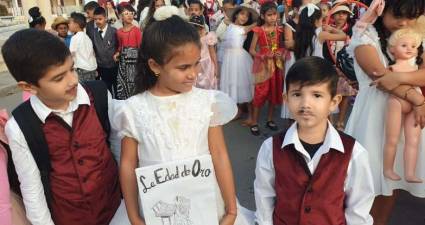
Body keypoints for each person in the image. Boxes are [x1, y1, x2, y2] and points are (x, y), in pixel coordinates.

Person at [113, 5, 250, 225]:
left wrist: (231, 209)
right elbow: (128, 164)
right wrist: (133, 215)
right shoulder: (133, 109)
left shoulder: (207, 102)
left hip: (206, 204)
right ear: (155, 66)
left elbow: (219, 154)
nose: (193, 74)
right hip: (154, 208)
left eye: (196, 64)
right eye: (184, 67)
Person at [1, 29, 124, 225]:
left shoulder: (99, 96)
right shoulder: (20, 127)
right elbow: (32, 191)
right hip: (68, 217)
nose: (73, 80)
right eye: (58, 78)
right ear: (28, 87)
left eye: (72, 69)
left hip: (116, 211)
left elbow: (118, 149)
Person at [254, 56, 375, 225]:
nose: (305, 104)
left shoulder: (354, 152)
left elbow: (358, 209)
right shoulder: (270, 148)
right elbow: (264, 197)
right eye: (297, 94)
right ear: (286, 99)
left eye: (317, 95)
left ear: (334, 102)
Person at [344, 0, 425, 224]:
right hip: (374, 117)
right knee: (367, 183)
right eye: (398, 15)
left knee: (393, 182)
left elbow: (395, 78)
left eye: (411, 16)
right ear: (382, 10)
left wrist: (398, 77)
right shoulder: (365, 35)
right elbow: (379, 77)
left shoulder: (416, 36)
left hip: (406, 118)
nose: (405, 22)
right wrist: (417, 97)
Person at [383, 28, 423, 183]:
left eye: (413, 46)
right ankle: (388, 169)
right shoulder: (391, 68)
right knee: (392, 139)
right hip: (396, 102)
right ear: (392, 49)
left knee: (413, 140)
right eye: (404, 45)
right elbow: (383, 83)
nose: (409, 49)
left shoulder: (416, 69)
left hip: (415, 106)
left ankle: (410, 173)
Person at [244, 2, 284, 136]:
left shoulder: (279, 29)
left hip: (277, 65)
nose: (273, 18)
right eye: (269, 15)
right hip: (263, 66)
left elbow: (281, 47)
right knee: (260, 92)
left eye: (275, 15)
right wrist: (263, 55)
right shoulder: (258, 30)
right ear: (263, 16)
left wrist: (280, 52)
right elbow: (252, 50)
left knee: (274, 91)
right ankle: (254, 121)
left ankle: (270, 119)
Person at [220, 5, 257, 119]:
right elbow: (225, 17)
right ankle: (237, 110)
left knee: (243, 84)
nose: (244, 17)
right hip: (228, 58)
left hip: (239, 59)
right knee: (232, 83)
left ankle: (250, 115)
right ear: (236, 14)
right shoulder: (229, 24)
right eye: (242, 14)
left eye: (247, 16)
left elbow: (256, 23)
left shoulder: (245, 29)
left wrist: (252, 10)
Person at [114, 4, 143, 100]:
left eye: (132, 13)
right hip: (123, 63)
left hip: (134, 63)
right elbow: (120, 46)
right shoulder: (118, 32)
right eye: (126, 13)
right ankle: (125, 102)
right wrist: (117, 53)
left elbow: (140, 47)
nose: (130, 15)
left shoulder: (137, 30)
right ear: (120, 16)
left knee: (133, 84)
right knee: (122, 83)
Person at [91, 7, 119, 96]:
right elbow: (93, 48)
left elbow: (118, 46)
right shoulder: (93, 33)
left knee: (117, 88)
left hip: (114, 66)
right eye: (95, 19)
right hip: (102, 67)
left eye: (100, 19)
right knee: (107, 89)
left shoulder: (114, 31)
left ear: (105, 18)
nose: (98, 21)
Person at [189, 15, 218, 89]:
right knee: (196, 82)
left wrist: (216, 67)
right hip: (196, 63)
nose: (196, 31)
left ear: (202, 27)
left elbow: (212, 53)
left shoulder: (208, 37)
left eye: (198, 28)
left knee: (208, 82)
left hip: (207, 63)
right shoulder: (190, 38)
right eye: (193, 28)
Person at [69, 12, 98, 81]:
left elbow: (71, 54)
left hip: (82, 70)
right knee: (90, 89)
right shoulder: (87, 37)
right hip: (92, 68)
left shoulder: (75, 38)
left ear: (76, 25)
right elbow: (93, 53)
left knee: (84, 90)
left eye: (70, 22)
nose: (68, 24)